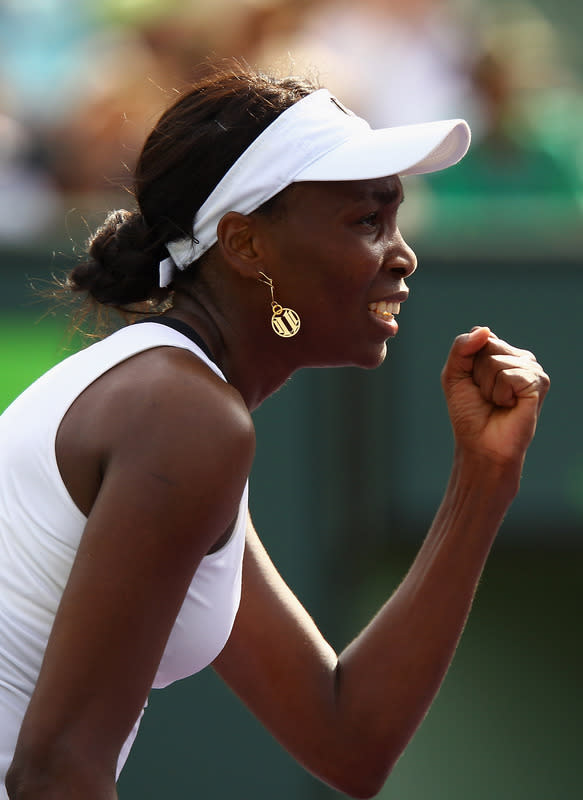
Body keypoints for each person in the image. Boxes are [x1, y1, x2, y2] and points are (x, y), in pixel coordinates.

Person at [0, 62, 549, 800]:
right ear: (246, 245)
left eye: (393, 218)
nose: (402, 253)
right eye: (365, 221)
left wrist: (481, 481)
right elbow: (57, 771)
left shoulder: (177, 404)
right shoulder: (182, 417)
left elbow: (346, 738)